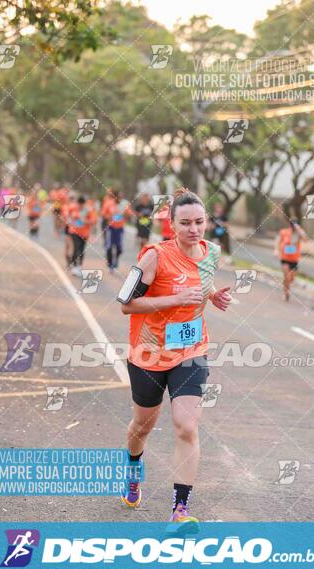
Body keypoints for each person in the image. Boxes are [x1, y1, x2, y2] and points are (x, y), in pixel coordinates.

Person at [118, 187, 231, 531]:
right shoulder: (153, 256)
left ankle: (179, 511)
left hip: (191, 352)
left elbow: (201, 281)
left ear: (206, 222)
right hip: (148, 354)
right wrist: (175, 298)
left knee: (186, 425)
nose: (193, 229)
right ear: (171, 224)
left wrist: (213, 297)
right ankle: (134, 469)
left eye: (199, 222)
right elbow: (126, 304)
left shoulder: (212, 252)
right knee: (142, 427)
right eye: (185, 223)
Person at [274, 218, 308, 301]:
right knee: (286, 277)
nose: (293, 227)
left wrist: (299, 229)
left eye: (295, 225)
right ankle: (286, 293)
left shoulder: (299, 233)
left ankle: (286, 287)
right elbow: (278, 240)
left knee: (291, 279)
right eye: (292, 225)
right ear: (289, 225)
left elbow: (305, 239)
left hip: (294, 259)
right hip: (285, 258)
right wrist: (276, 250)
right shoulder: (284, 232)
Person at [105, 191, 132, 273]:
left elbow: (129, 214)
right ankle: (110, 265)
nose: (119, 199)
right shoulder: (109, 204)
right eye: (118, 197)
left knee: (119, 248)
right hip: (111, 228)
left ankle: (116, 260)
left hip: (120, 228)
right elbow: (104, 214)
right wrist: (110, 217)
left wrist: (124, 215)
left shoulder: (124, 204)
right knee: (109, 247)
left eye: (120, 197)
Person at [67, 195, 94, 276]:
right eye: (79, 204)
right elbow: (67, 217)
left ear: (84, 204)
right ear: (77, 203)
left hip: (84, 233)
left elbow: (93, 220)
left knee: (82, 250)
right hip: (74, 232)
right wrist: (71, 219)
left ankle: (79, 266)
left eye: (81, 205)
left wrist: (85, 220)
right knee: (76, 247)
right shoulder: (72, 208)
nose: (80, 206)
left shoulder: (88, 210)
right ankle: (74, 266)